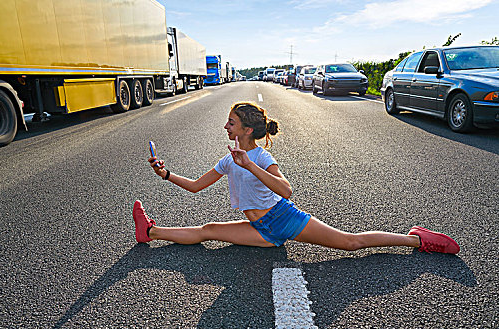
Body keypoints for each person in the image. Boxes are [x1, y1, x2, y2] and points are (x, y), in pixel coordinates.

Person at [132, 102, 460, 254]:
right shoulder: (228, 160)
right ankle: (149, 231)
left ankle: (416, 239)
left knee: (350, 243)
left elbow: (286, 191)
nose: (226, 127)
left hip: (283, 218)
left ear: (247, 130)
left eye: (231, 122)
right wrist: (166, 174)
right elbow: (195, 186)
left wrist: (249, 165)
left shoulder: (259, 157)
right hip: (262, 230)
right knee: (207, 232)